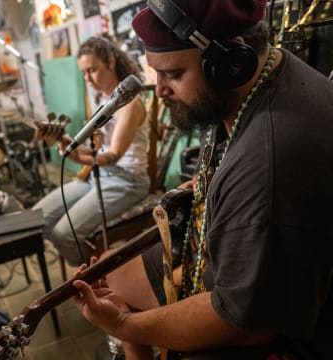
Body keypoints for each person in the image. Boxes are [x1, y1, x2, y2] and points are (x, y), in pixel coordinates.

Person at [71, 1, 333, 359]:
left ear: (230, 65)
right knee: (112, 272)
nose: (159, 90)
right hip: (247, 245)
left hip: (268, 328)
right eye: (156, 73)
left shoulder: (268, 161)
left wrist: (122, 325)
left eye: (173, 74)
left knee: (121, 306)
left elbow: (243, 325)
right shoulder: (261, 77)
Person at [32, 36, 151, 267]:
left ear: (111, 62)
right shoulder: (103, 101)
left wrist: (81, 156)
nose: (88, 79)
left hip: (128, 181)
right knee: (39, 219)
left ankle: (99, 274)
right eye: (84, 73)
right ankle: (96, 263)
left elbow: (114, 154)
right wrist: (68, 141)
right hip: (99, 175)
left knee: (63, 234)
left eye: (92, 70)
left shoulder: (130, 104)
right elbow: (99, 150)